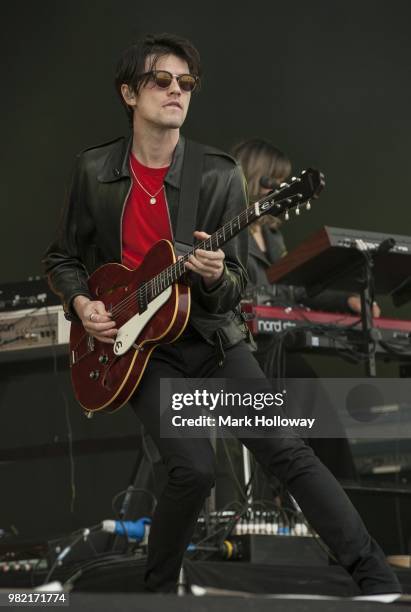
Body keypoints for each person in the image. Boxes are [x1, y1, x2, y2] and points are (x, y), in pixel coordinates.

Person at [43, 33, 400, 596]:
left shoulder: (218, 173)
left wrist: (213, 275)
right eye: (161, 80)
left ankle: (377, 580)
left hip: (212, 339)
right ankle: (158, 593)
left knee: (287, 450)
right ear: (128, 93)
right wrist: (83, 304)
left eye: (186, 83)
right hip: (141, 351)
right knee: (193, 470)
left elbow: (234, 288)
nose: (176, 91)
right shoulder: (93, 171)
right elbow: (62, 258)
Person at [232, 138, 378, 481]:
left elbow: (295, 292)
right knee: (302, 416)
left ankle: (345, 500)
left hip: (278, 350)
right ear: (254, 179)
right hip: (247, 353)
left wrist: (346, 301)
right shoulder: (227, 232)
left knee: (322, 425)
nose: (280, 189)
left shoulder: (273, 238)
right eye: (273, 180)